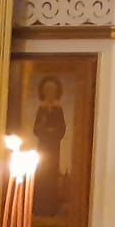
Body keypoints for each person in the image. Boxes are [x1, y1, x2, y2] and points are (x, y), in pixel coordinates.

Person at [31, 76, 66, 217]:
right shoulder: (41, 108)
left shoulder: (58, 109)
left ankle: (51, 209)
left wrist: (52, 132)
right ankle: (39, 208)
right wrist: (44, 129)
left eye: (52, 90)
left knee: (51, 175)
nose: (50, 92)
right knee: (42, 175)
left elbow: (62, 129)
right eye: (47, 90)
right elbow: (36, 129)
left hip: (54, 147)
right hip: (43, 146)